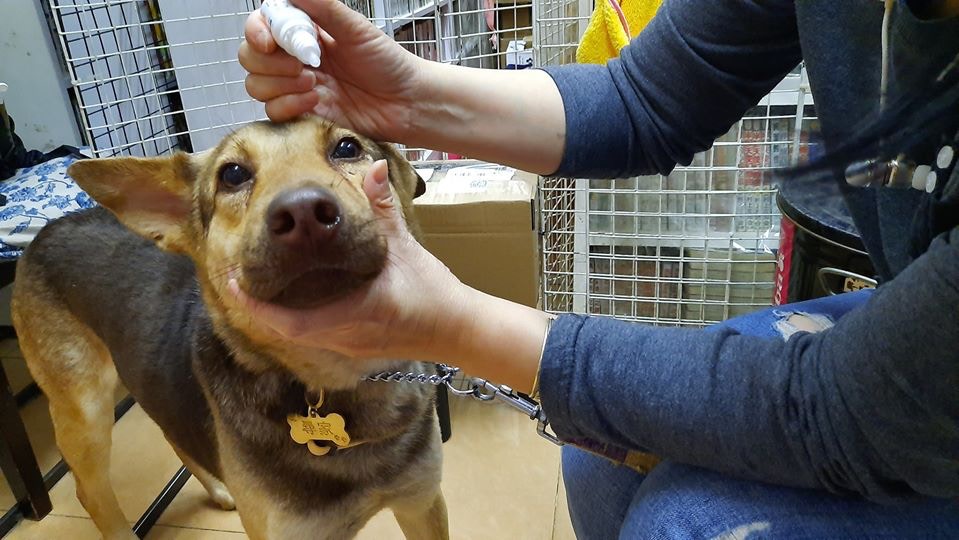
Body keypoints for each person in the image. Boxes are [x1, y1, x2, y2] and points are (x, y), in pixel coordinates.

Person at [235, 0, 959, 537]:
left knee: (684, 525)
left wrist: (452, 323)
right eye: (236, 179)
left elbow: (853, 415)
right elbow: (645, 97)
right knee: (600, 461)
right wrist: (407, 96)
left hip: (898, 400)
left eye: (346, 154)